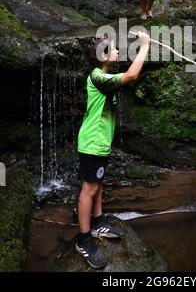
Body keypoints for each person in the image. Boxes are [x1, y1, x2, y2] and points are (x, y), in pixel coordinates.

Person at [75, 32, 150, 269]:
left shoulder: (104, 75)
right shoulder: (98, 77)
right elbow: (132, 75)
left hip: (99, 143)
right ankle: (84, 239)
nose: (119, 52)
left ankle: (97, 222)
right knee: (89, 189)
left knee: (98, 184)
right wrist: (145, 46)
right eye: (115, 50)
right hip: (92, 143)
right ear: (104, 56)